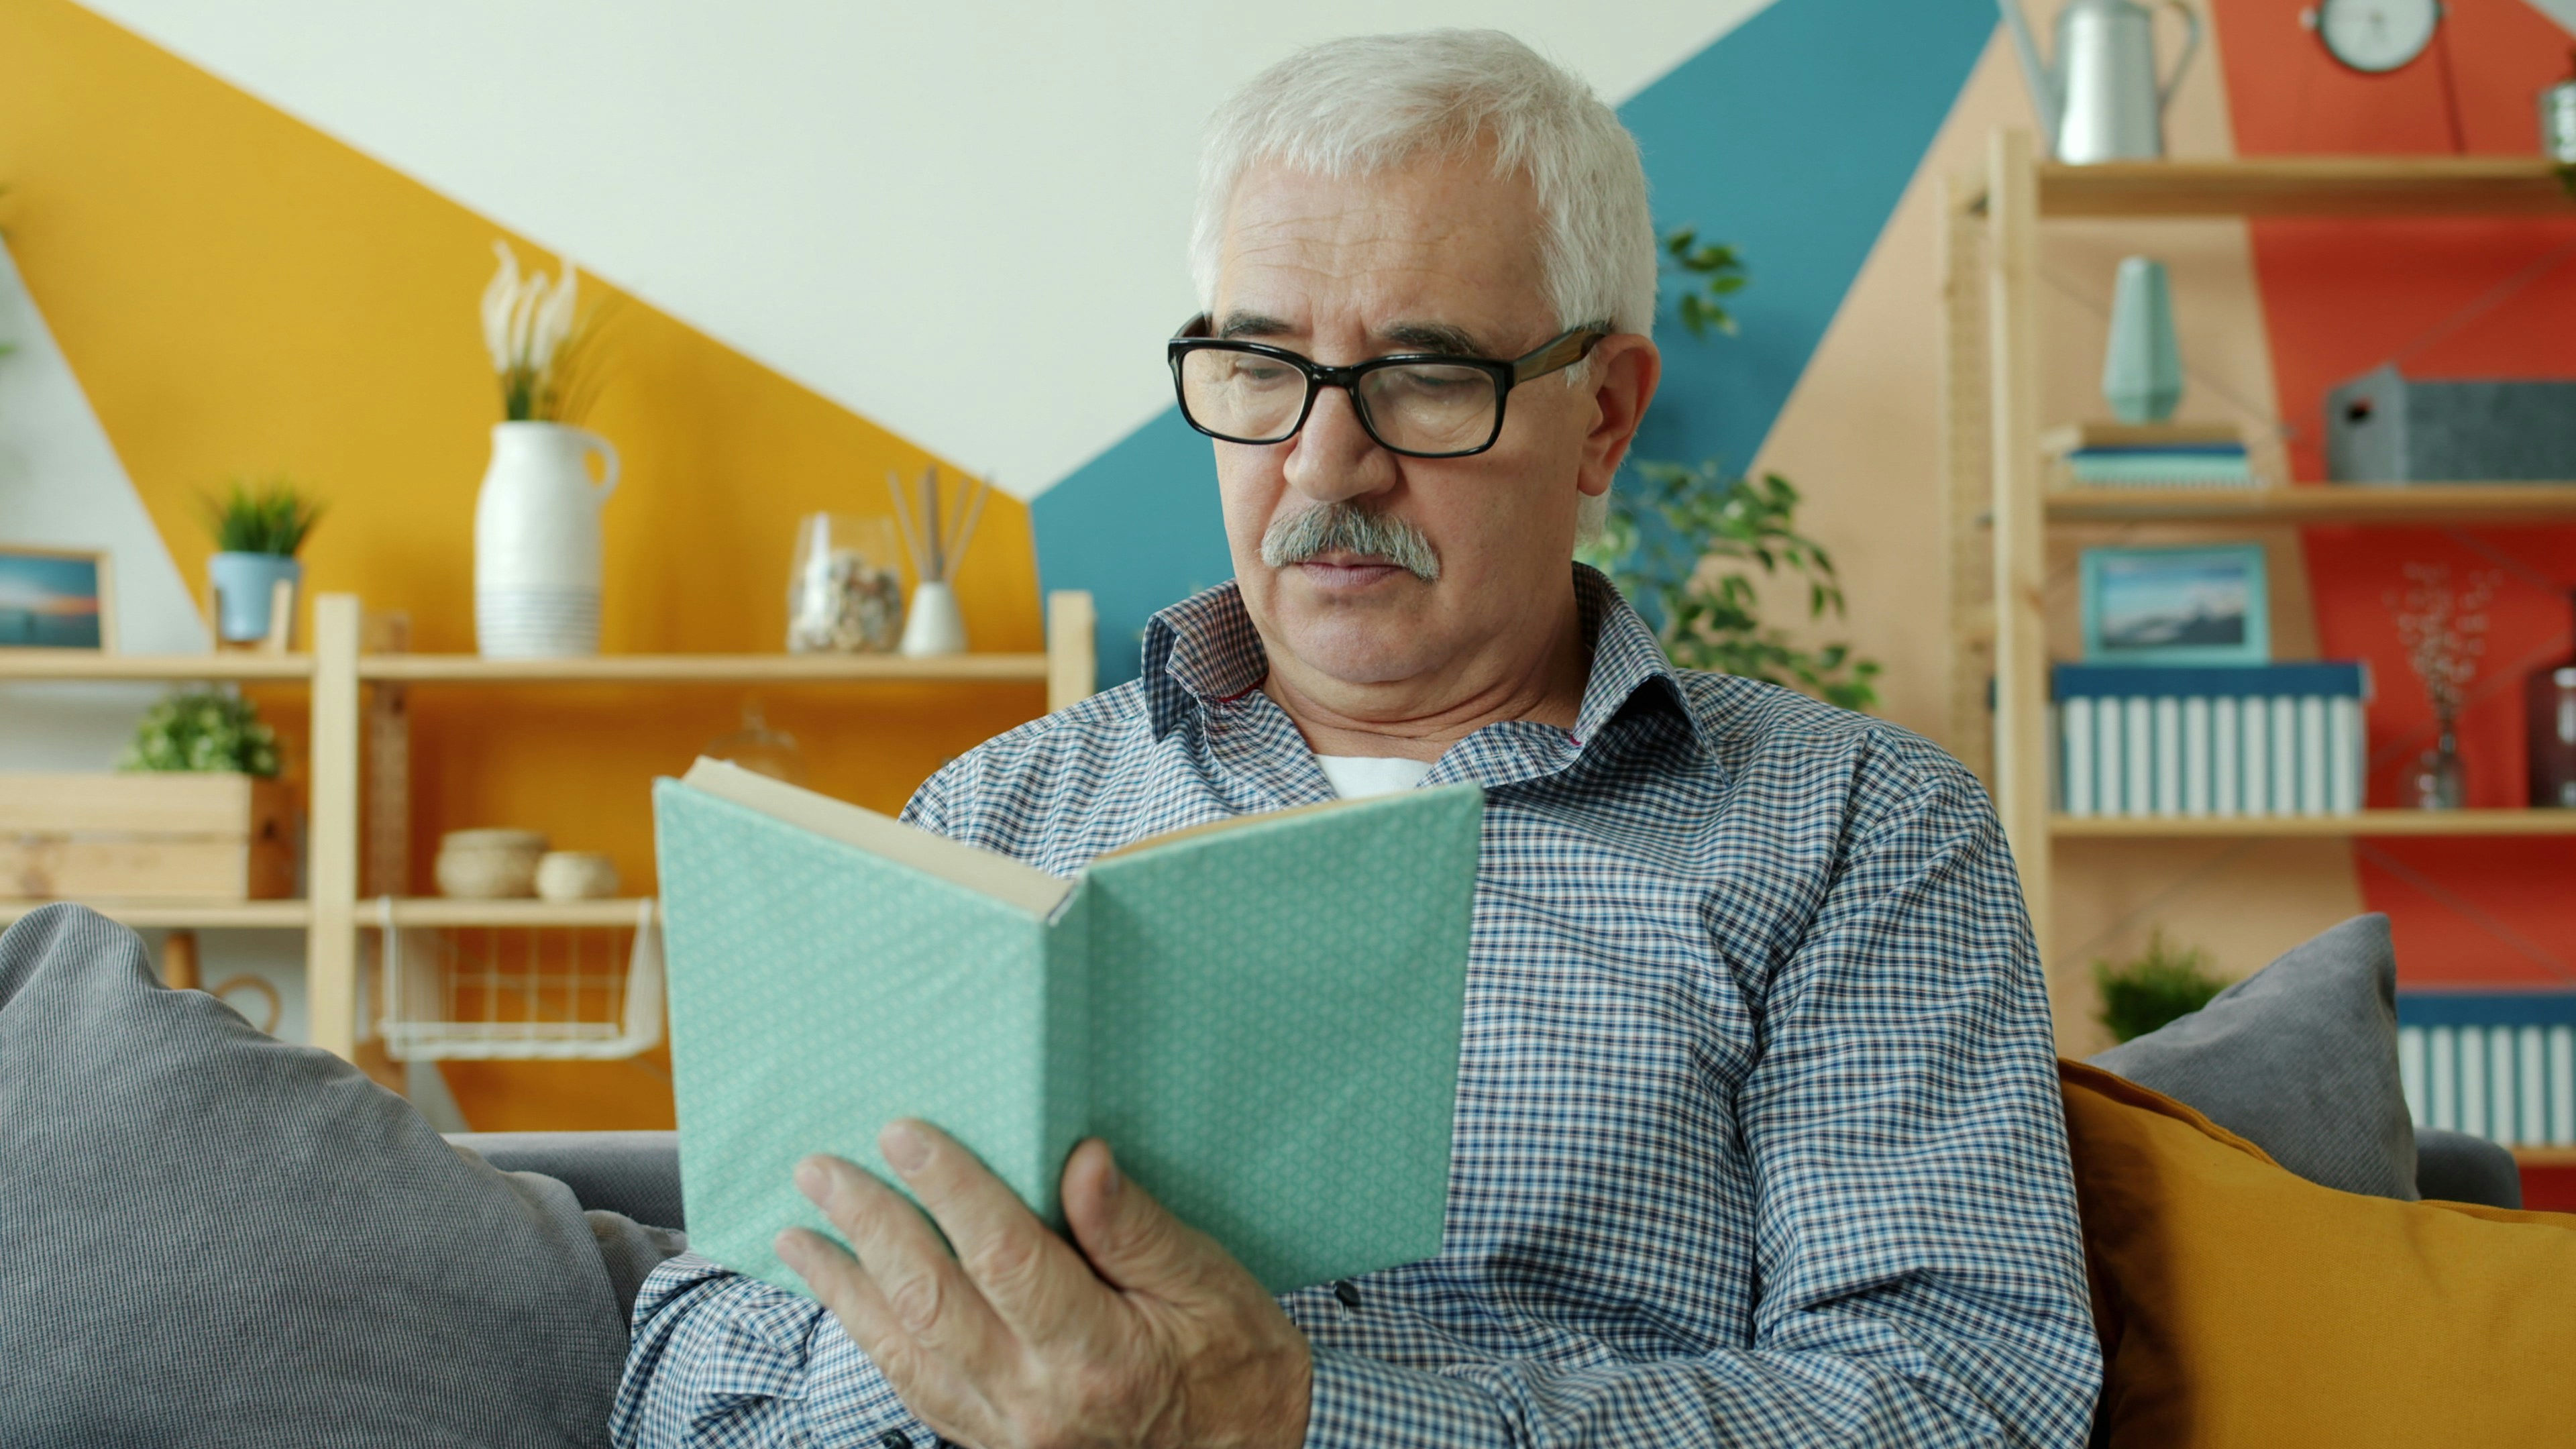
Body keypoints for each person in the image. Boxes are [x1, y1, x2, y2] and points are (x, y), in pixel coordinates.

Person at [0, 28, 2099, 1449]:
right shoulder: (1000, 816)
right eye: (1260, 369)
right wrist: (960, 1380)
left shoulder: (1848, 830)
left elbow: (1969, 1389)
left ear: (1605, 415)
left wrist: (1289, 1419)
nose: (1324, 465)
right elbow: (704, 1369)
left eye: (1430, 379)